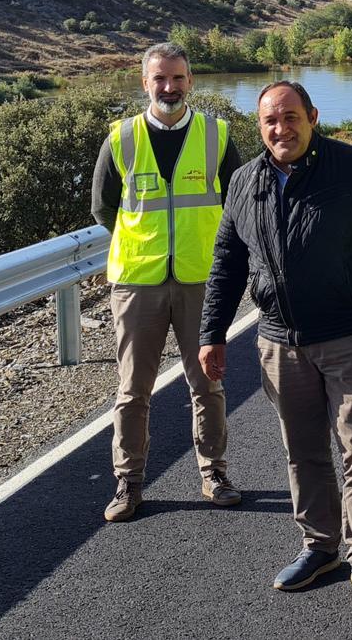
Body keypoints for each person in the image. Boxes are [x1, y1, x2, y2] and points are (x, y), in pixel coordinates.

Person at [199, 81, 352, 605]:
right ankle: (319, 547)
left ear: (312, 116)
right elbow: (227, 264)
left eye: (292, 117)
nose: (282, 129)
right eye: (272, 121)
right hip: (279, 342)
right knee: (303, 452)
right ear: (261, 127)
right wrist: (212, 333)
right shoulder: (243, 182)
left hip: (351, 334)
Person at [91, 41, 241, 523]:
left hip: (202, 280)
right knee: (133, 391)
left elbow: (240, 202)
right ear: (145, 83)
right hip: (138, 282)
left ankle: (214, 472)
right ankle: (129, 482)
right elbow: (103, 207)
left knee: (208, 384)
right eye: (160, 79)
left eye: (178, 78)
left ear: (191, 81)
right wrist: (144, 244)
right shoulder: (121, 139)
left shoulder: (217, 135)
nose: (169, 88)